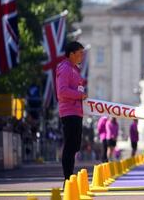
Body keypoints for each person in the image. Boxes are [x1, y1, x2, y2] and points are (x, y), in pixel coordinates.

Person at [56, 41, 87, 183]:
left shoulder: (75, 69)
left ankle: (69, 175)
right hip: (69, 111)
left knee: (75, 144)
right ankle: (67, 178)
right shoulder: (65, 68)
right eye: (80, 53)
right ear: (72, 54)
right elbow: (62, 91)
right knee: (70, 145)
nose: (82, 55)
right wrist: (79, 95)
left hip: (77, 111)